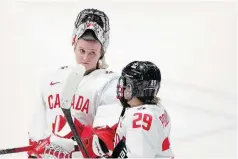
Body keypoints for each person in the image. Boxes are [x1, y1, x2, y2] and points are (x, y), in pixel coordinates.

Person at [27, 8, 122, 158]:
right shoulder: (53, 79)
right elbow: (37, 131)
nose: (85, 58)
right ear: (74, 43)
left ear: (102, 52)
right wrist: (36, 150)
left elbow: (104, 141)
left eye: (93, 53)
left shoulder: (110, 83)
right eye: (81, 50)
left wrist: (75, 133)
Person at [89, 61, 174, 158]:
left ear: (132, 88)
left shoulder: (140, 119)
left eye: (125, 83)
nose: (121, 87)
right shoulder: (155, 108)